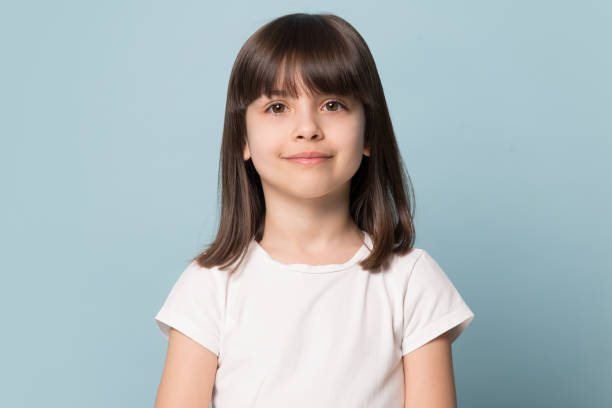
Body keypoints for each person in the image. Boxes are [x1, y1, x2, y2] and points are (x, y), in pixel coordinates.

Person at [153, 12, 475, 408]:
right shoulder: (209, 286)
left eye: (333, 104)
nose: (307, 127)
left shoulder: (411, 282)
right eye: (277, 107)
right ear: (243, 139)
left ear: (368, 133)